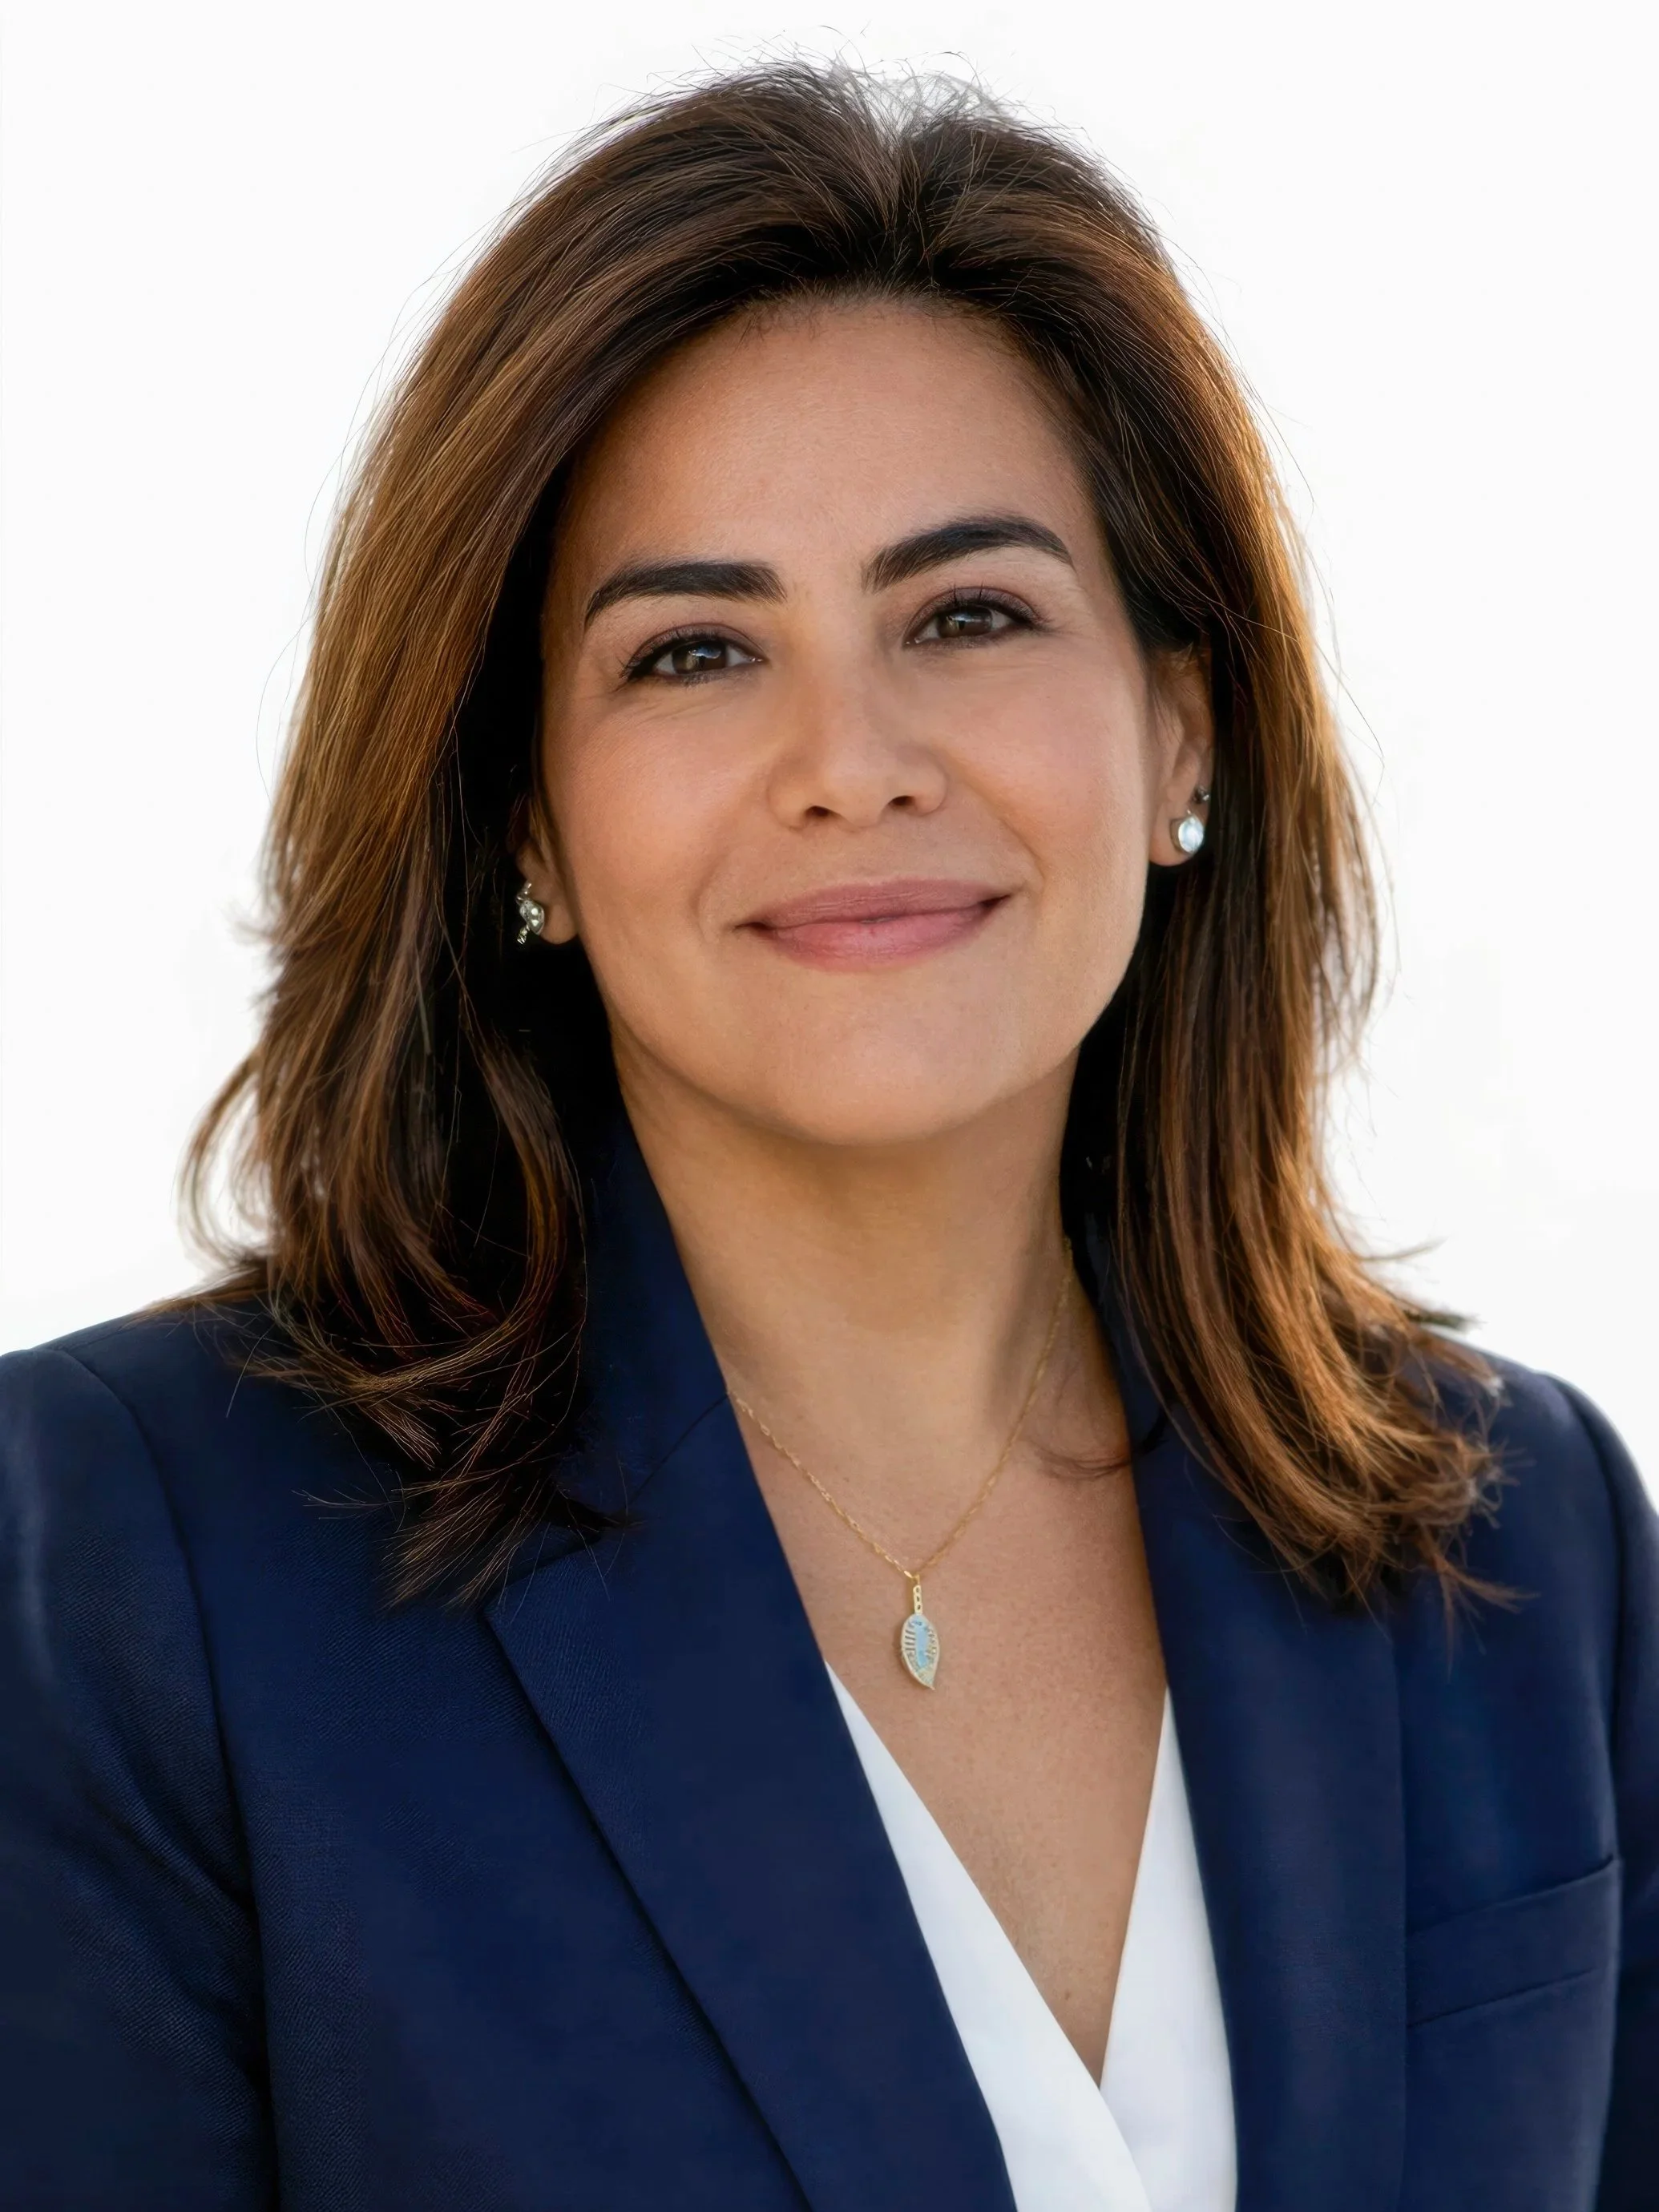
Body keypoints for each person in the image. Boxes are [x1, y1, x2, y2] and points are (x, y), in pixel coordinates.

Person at [1, 64, 1653, 2212]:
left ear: (1179, 728)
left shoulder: (1525, 1539)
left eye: (965, 613)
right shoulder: (125, 1571)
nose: (848, 762)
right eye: (692, 652)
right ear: (532, 828)